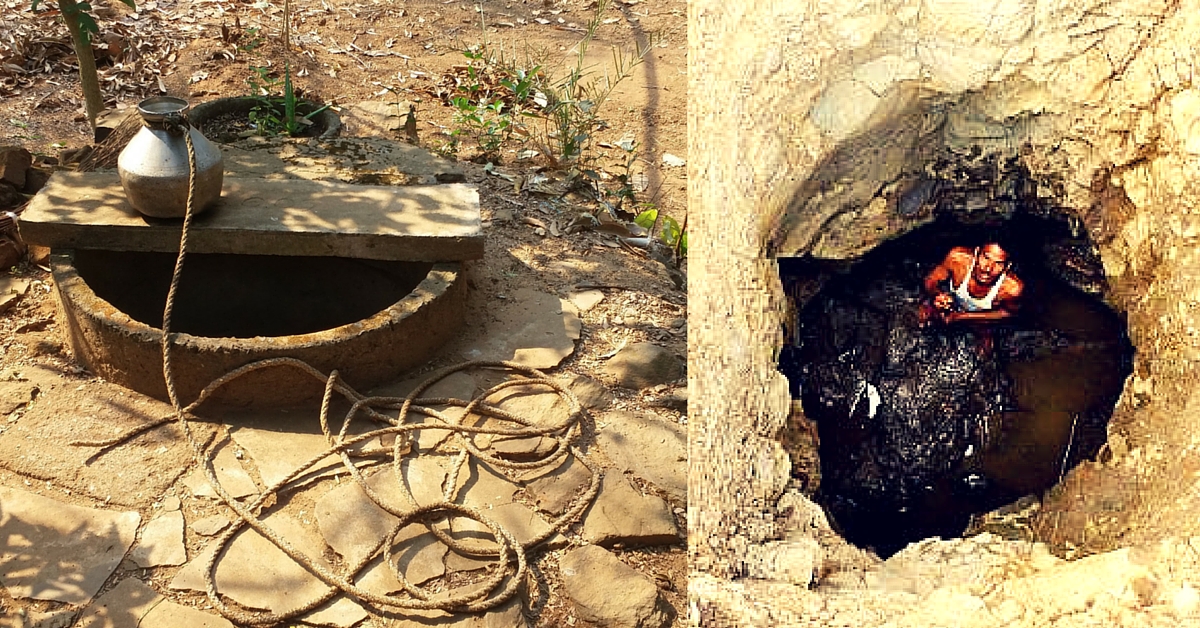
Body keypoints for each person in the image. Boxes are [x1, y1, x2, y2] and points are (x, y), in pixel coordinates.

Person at [919, 243, 1024, 327]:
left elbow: (1008, 313)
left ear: (1007, 267)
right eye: (986, 258)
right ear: (977, 252)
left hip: (978, 316)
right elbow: (930, 281)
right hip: (951, 300)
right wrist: (937, 295)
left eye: (998, 263)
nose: (987, 269)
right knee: (923, 314)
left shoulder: (1012, 288)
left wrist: (963, 316)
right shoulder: (958, 259)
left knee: (985, 337)